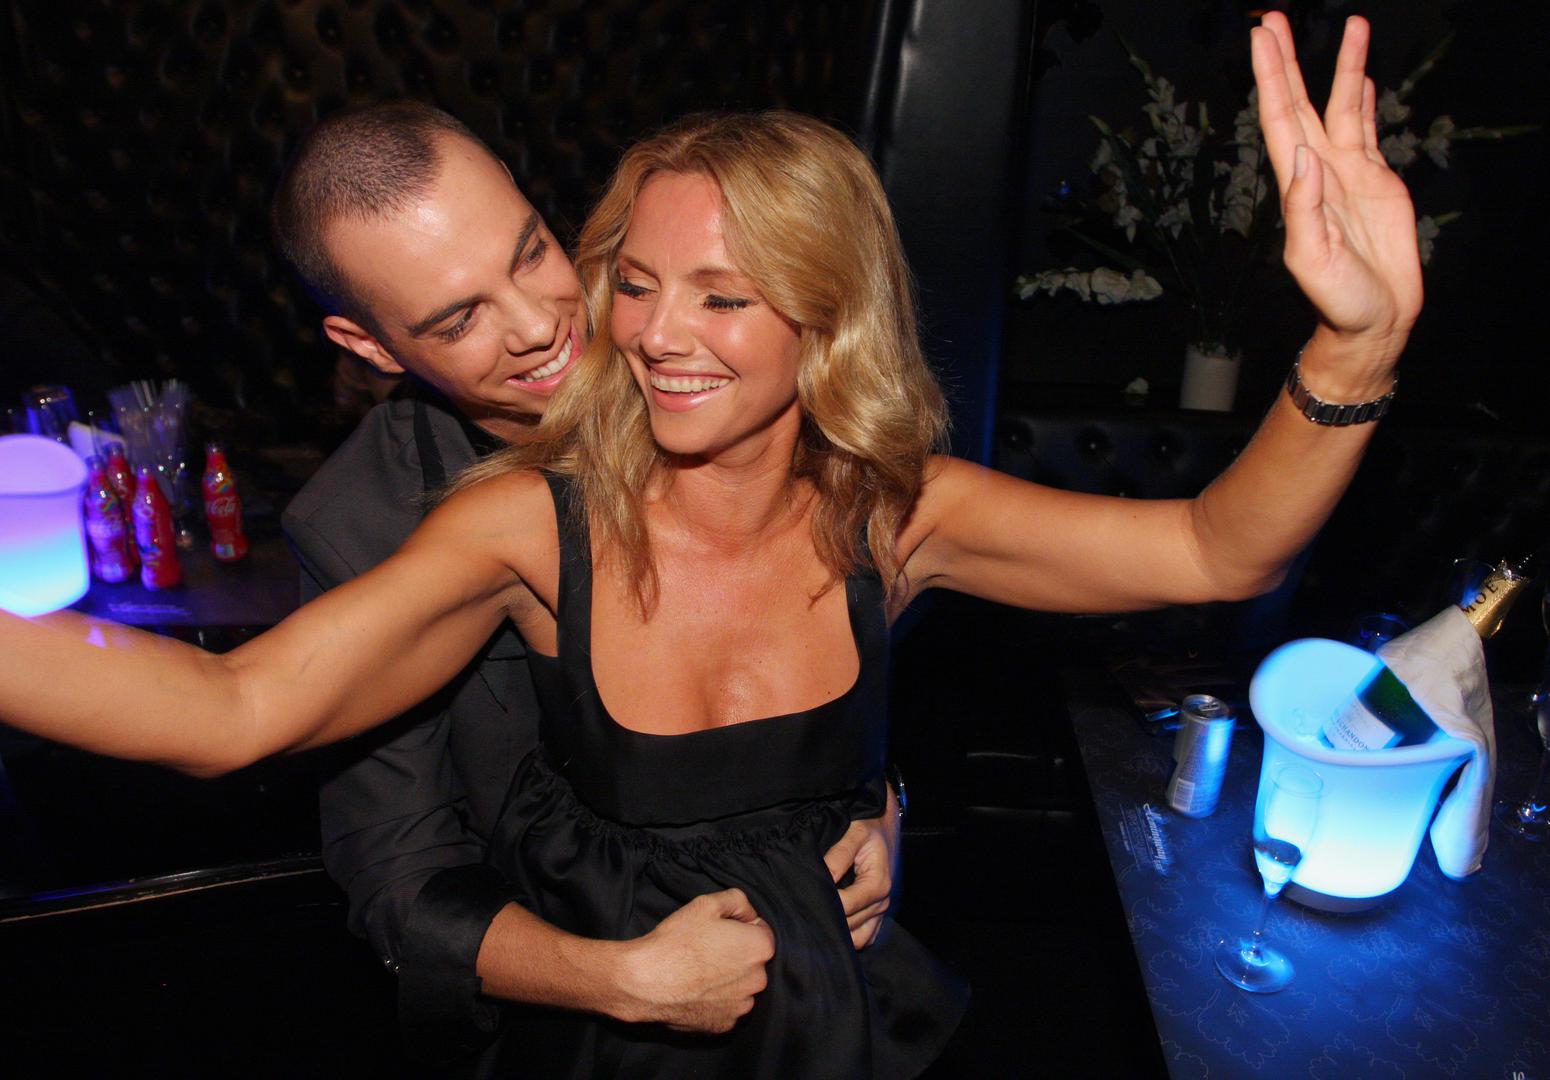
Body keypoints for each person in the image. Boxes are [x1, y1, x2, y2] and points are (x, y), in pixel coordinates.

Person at [0, 13, 1418, 1076]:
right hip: (596, 1018)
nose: (604, 328)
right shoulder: (483, 523)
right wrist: (619, 978)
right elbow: (252, 729)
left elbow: (1212, 552)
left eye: (714, 294)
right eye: (639, 285)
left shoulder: (884, 501)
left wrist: (1355, 343)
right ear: (371, 345)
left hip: (837, 1007)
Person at [271, 102, 902, 1064]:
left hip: (819, 993)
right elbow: (398, 869)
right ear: (371, 347)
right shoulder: (362, 521)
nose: (540, 325)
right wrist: (622, 980)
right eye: (460, 318)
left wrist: (879, 799)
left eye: (531, 253)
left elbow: (852, 621)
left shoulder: (701, 352)